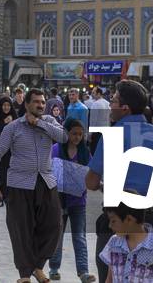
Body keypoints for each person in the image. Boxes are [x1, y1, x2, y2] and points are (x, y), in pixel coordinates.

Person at [86, 80, 153, 283]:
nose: (111, 104)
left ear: (125, 108)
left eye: (115, 100)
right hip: (151, 217)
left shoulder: (113, 135)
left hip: (117, 219)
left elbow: (91, 182)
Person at [0, 88, 67, 283]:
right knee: (21, 230)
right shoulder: (13, 127)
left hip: (46, 182)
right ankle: (25, 274)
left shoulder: (49, 122)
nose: (40, 105)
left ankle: (37, 266)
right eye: (37, 102)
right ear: (27, 104)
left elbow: (64, 137)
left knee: (54, 226)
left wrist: (39, 123)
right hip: (19, 184)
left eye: (42, 102)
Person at [47, 118, 95, 283]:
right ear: (66, 133)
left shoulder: (85, 153)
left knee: (79, 236)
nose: (77, 137)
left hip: (78, 202)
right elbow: (50, 171)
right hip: (58, 201)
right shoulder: (55, 149)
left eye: (80, 134)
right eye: (74, 133)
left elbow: (90, 174)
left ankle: (83, 271)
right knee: (57, 236)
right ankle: (54, 268)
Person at [97, 203, 153, 283]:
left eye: (113, 221)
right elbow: (110, 278)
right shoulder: (113, 242)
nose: (110, 225)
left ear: (129, 219)